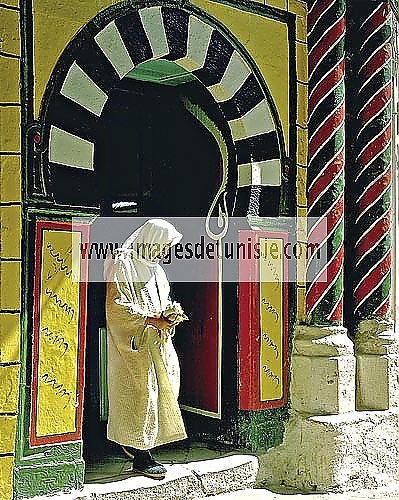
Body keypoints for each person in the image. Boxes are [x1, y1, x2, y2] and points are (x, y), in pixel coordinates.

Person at [103, 219, 188, 479]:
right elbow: (116, 306)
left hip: (157, 343)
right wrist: (151, 320)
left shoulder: (156, 270)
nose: (165, 252)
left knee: (163, 390)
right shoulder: (123, 264)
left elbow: (159, 300)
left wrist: (168, 317)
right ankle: (141, 456)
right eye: (163, 245)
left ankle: (139, 444)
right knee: (140, 395)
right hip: (134, 346)